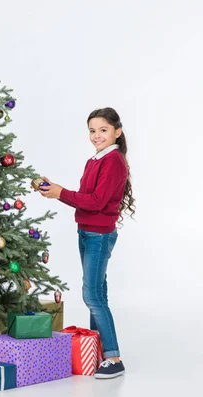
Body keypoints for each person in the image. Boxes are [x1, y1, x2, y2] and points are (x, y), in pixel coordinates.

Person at [39, 107, 135, 379]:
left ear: (117, 131)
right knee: (98, 295)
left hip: (99, 235)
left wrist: (61, 193)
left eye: (103, 130)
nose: (96, 135)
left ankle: (113, 357)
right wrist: (56, 190)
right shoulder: (95, 159)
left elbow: (97, 202)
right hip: (86, 232)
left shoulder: (113, 160)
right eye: (92, 131)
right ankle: (100, 350)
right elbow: (84, 195)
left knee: (92, 295)